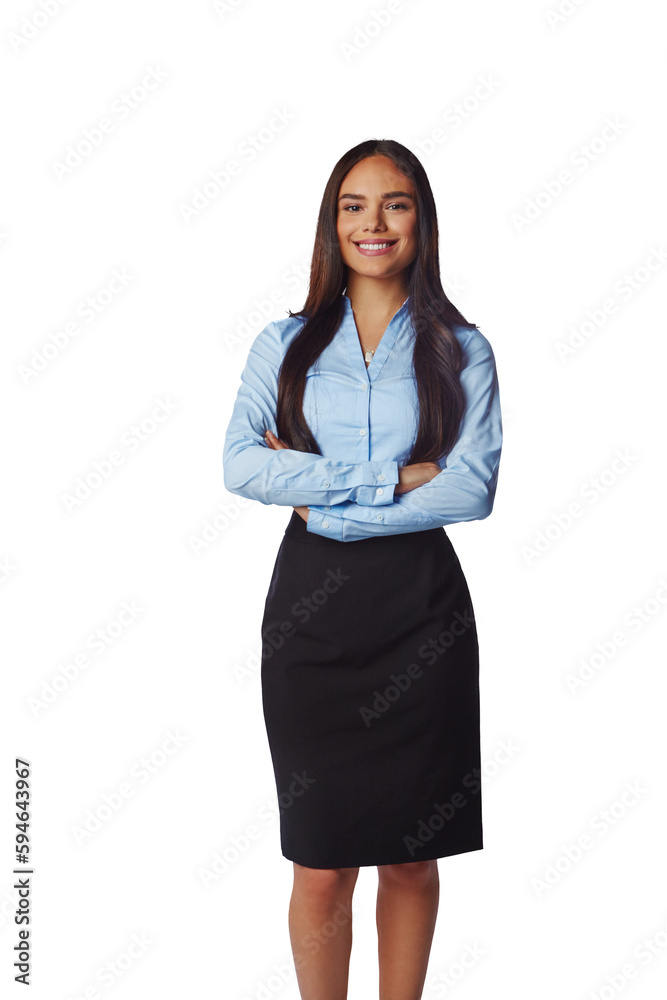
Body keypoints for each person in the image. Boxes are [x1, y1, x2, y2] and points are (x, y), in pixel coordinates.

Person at [222, 138, 503, 1000]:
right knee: (320, 862)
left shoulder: (463, 347)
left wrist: (324, 498)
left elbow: (471, 488)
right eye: (353, 205)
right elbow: (241, 466)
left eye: (394, 203)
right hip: (313, 618)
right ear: (330, 222)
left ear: (420, 219)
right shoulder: (286, 344)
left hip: (422, 611)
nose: (372, 223)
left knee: (412, 858)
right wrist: (390, 475)